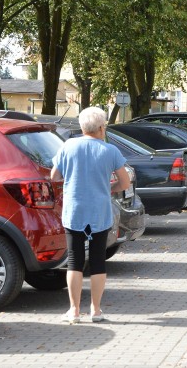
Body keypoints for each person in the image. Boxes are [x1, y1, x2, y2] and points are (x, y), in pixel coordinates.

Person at [51, 107, 130, 324]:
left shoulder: (68, 146)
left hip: (75, 210)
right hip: (99, 211)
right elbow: (125, 183)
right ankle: (96, 310)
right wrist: (109, 188)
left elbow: (55, 175)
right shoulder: (110, 151)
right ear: (101, 128)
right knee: (97, 261)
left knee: (75, 260)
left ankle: (74, 311)